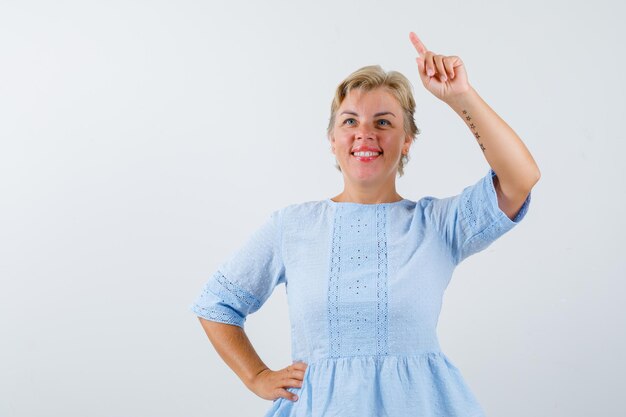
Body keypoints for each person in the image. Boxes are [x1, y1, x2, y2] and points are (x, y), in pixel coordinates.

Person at [189, 32, 540, 417]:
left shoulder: (439, 225)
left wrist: (461, 97)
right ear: (332, 138)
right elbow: (216, 304)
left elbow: (520, 178)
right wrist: (256, 375)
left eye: (383, 122)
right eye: (350, 121)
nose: (365, 133)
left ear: (407, 140)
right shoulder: (292, 227)